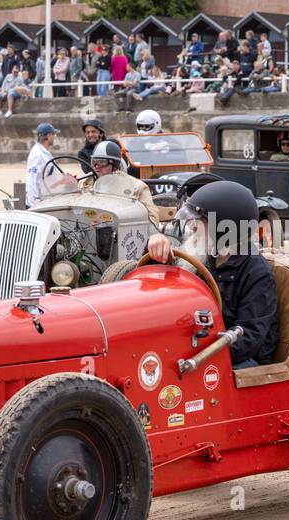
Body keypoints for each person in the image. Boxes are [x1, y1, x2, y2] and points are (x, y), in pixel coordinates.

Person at [144, 181, 278, 368]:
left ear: (223, 229)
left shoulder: (256, 274)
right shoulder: (204, 254)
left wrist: (193, 352)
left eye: (200, 221)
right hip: (197, 344)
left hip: (237, 362)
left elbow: (248, 339)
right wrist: (155, 246)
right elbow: (161, 287)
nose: (191, 227)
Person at [85, 139, 160, 222]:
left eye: (102, 162)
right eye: (94, 162)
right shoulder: (84, 183)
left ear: (114, 164)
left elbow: (153, 219)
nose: (96, 166)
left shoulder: (137, 187)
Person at [25, 122, 59, 207]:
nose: (54, 137)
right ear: (48, 136)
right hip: (38, 202)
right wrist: (34, 204)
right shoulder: (38, 154)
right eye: (53, 134)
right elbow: (32, 179)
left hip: (46, 198)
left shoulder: (44, 152)